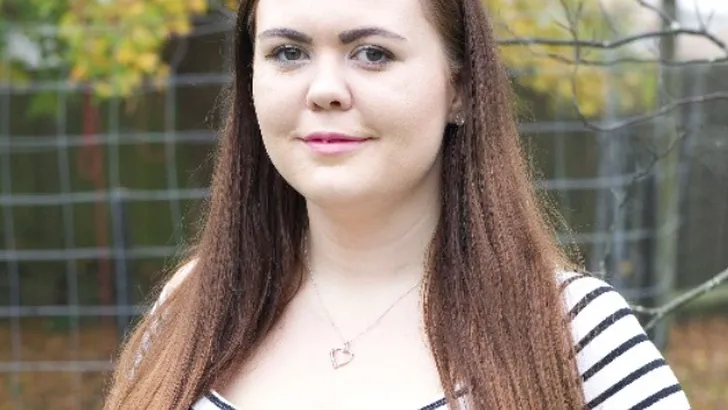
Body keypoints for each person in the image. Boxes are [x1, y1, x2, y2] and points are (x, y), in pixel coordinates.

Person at [104, 0, 692, 408]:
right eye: (288, 52)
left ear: (460, 88)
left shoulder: (574, 335)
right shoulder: (190, 310)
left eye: (372, 53)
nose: (324, 89)